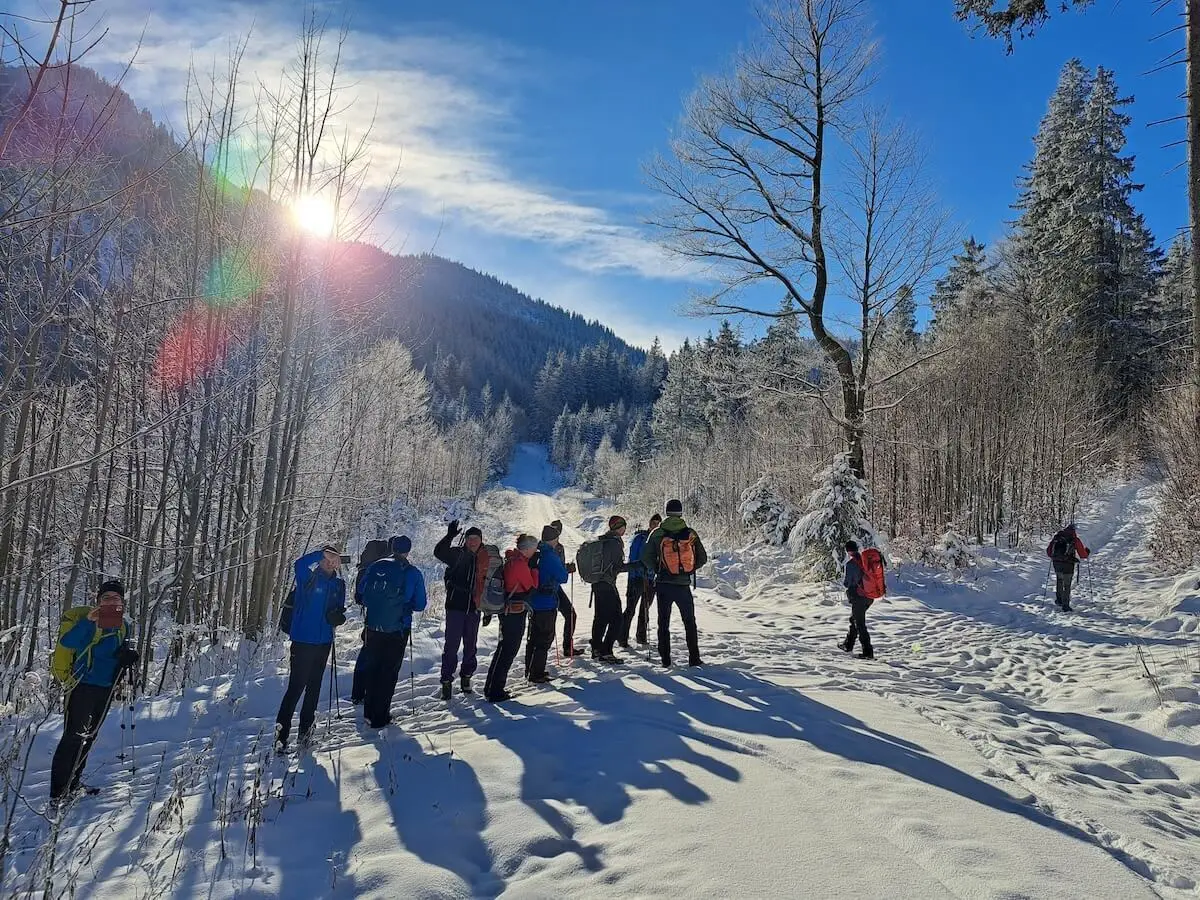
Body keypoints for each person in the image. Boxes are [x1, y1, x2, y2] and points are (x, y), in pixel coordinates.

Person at [50, 580, 139, 801]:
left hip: (106, 688)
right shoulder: (87, 621)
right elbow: (68, 642)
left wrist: (126, 656)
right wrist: (89, 623)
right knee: (73, 737)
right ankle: (59, 793)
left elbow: (116, 652)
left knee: (89, 736)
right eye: (106, 598)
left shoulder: (123, 626)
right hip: (81, 685)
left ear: (122, 603)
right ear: (98, 601)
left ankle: (74, 783)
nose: (111, 602)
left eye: (116, 598)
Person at [275, 545, 346, 751]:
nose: (330, 563)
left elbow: (339, 608)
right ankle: (281, 737)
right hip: (303, 641)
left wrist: (338, 617)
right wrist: (320, 554)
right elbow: (298, 564)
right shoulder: (308, 578)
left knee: (314, 688)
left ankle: (305, 735)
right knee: (296, 688)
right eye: (327, 559)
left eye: (334, 560)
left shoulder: (339, 585)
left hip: (324, 642)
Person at [360, 536, 427, 729]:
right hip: (398, 628)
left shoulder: (375, 566)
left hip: (373, 626)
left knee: (372, 668)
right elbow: (421, 604)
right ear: (408, 550)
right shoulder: (412, 573)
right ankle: (381, 716)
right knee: (388, 672)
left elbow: (363, 594)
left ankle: (368, 712)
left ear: (391, 548)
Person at [641, 500, 708, 668]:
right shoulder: (690, 533)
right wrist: (688, 570)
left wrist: (657, 569)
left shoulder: (657, 533)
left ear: (666, 512)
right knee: (689, 621)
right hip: (683, 585)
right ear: (681, 512)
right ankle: (694, 658)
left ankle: (666, 660)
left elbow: (646, 558)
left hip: (663, 583)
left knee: (663, 622)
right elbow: (703, 558)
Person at [434, 520, 489, 700]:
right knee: (451, 646)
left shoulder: (485, 557)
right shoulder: (457, 554)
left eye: (476, 538)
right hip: (455, 608)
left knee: (471, 645)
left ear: (481, 540)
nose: (473, 541)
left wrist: (488, 609)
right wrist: (450, 536)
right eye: (470, 538)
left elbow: (492, 584)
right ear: (465, 540)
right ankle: (446, 682)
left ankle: (466, 677)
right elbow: (439, 552)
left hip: (474, 608)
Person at [484, 534, 539, 702]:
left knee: (503, 647)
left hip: (507, 610)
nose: (535, 551)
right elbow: (532, 585)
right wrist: (535, 570)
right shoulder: (520, 564)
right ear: (527, 548)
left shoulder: (511, 559)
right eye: (534, 548)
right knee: (509, 650)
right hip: (515, 612)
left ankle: (491, 687)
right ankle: (496, 690)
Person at [350, 538, 391, 705]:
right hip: (384, 619)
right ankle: (369, 691)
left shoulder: (365, 568)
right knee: (376, 654)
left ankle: (358, 692)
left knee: (367, 651)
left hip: (371, 617)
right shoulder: (380, 568)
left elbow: (359, 597)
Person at [526, 524, 569, 684]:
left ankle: (529, 669)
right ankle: (537, 673)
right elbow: (563, 577)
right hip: (547, 602)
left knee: (533, 638)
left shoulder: (536, 553)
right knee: (544, 638)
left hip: (533, 601)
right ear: (554, 539)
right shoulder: (550, 556)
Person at [590, 515, 632, 663]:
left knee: (600, 617)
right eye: (624, 527)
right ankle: (606, 651)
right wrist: (636, 565)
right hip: (607, 585)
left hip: (596, 584)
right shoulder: (615, 543)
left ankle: (596, 648)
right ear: (620, 527)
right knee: (617, 619)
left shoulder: (603, 540)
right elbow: (617, 567)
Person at [621, 514, 661, 647]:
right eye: (653, 522)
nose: (656, 525)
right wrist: (640, 569)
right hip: (636, 579)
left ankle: (641, 636)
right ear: (649, 523)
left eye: (658, 523)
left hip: (651, 579)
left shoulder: (660, 540)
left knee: (645, 610)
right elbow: (632, 558)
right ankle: (622, 637)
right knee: (630, 609)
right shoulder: (640, 538)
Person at [549, 519, 584, 656]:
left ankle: (567, 647)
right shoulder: (551, 548)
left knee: (570, 614)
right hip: (550, 588)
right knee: (564, 616)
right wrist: (566, 570)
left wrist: (566, 568)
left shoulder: (557, 547)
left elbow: (559, 568)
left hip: (555, 587)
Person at [838, 541, 874, 660]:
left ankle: (867, 652)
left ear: (848, 551)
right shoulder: (866, 561)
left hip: (859, 597)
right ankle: (848, 645)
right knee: (854, 619)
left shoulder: (851, 564)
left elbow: (847, 582)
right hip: (870, 596)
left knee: (859, 624)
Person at [1047, 523, 1091, 611]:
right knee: (1067, 584)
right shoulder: (1074, 539)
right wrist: (1087, 552)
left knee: (1059, 580)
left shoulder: (1057, 537)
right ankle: (1065, 605)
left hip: (1057, 563)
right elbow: (1082, 555)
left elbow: (1049, 552)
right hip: (1068, 564)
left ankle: (1059, 600)